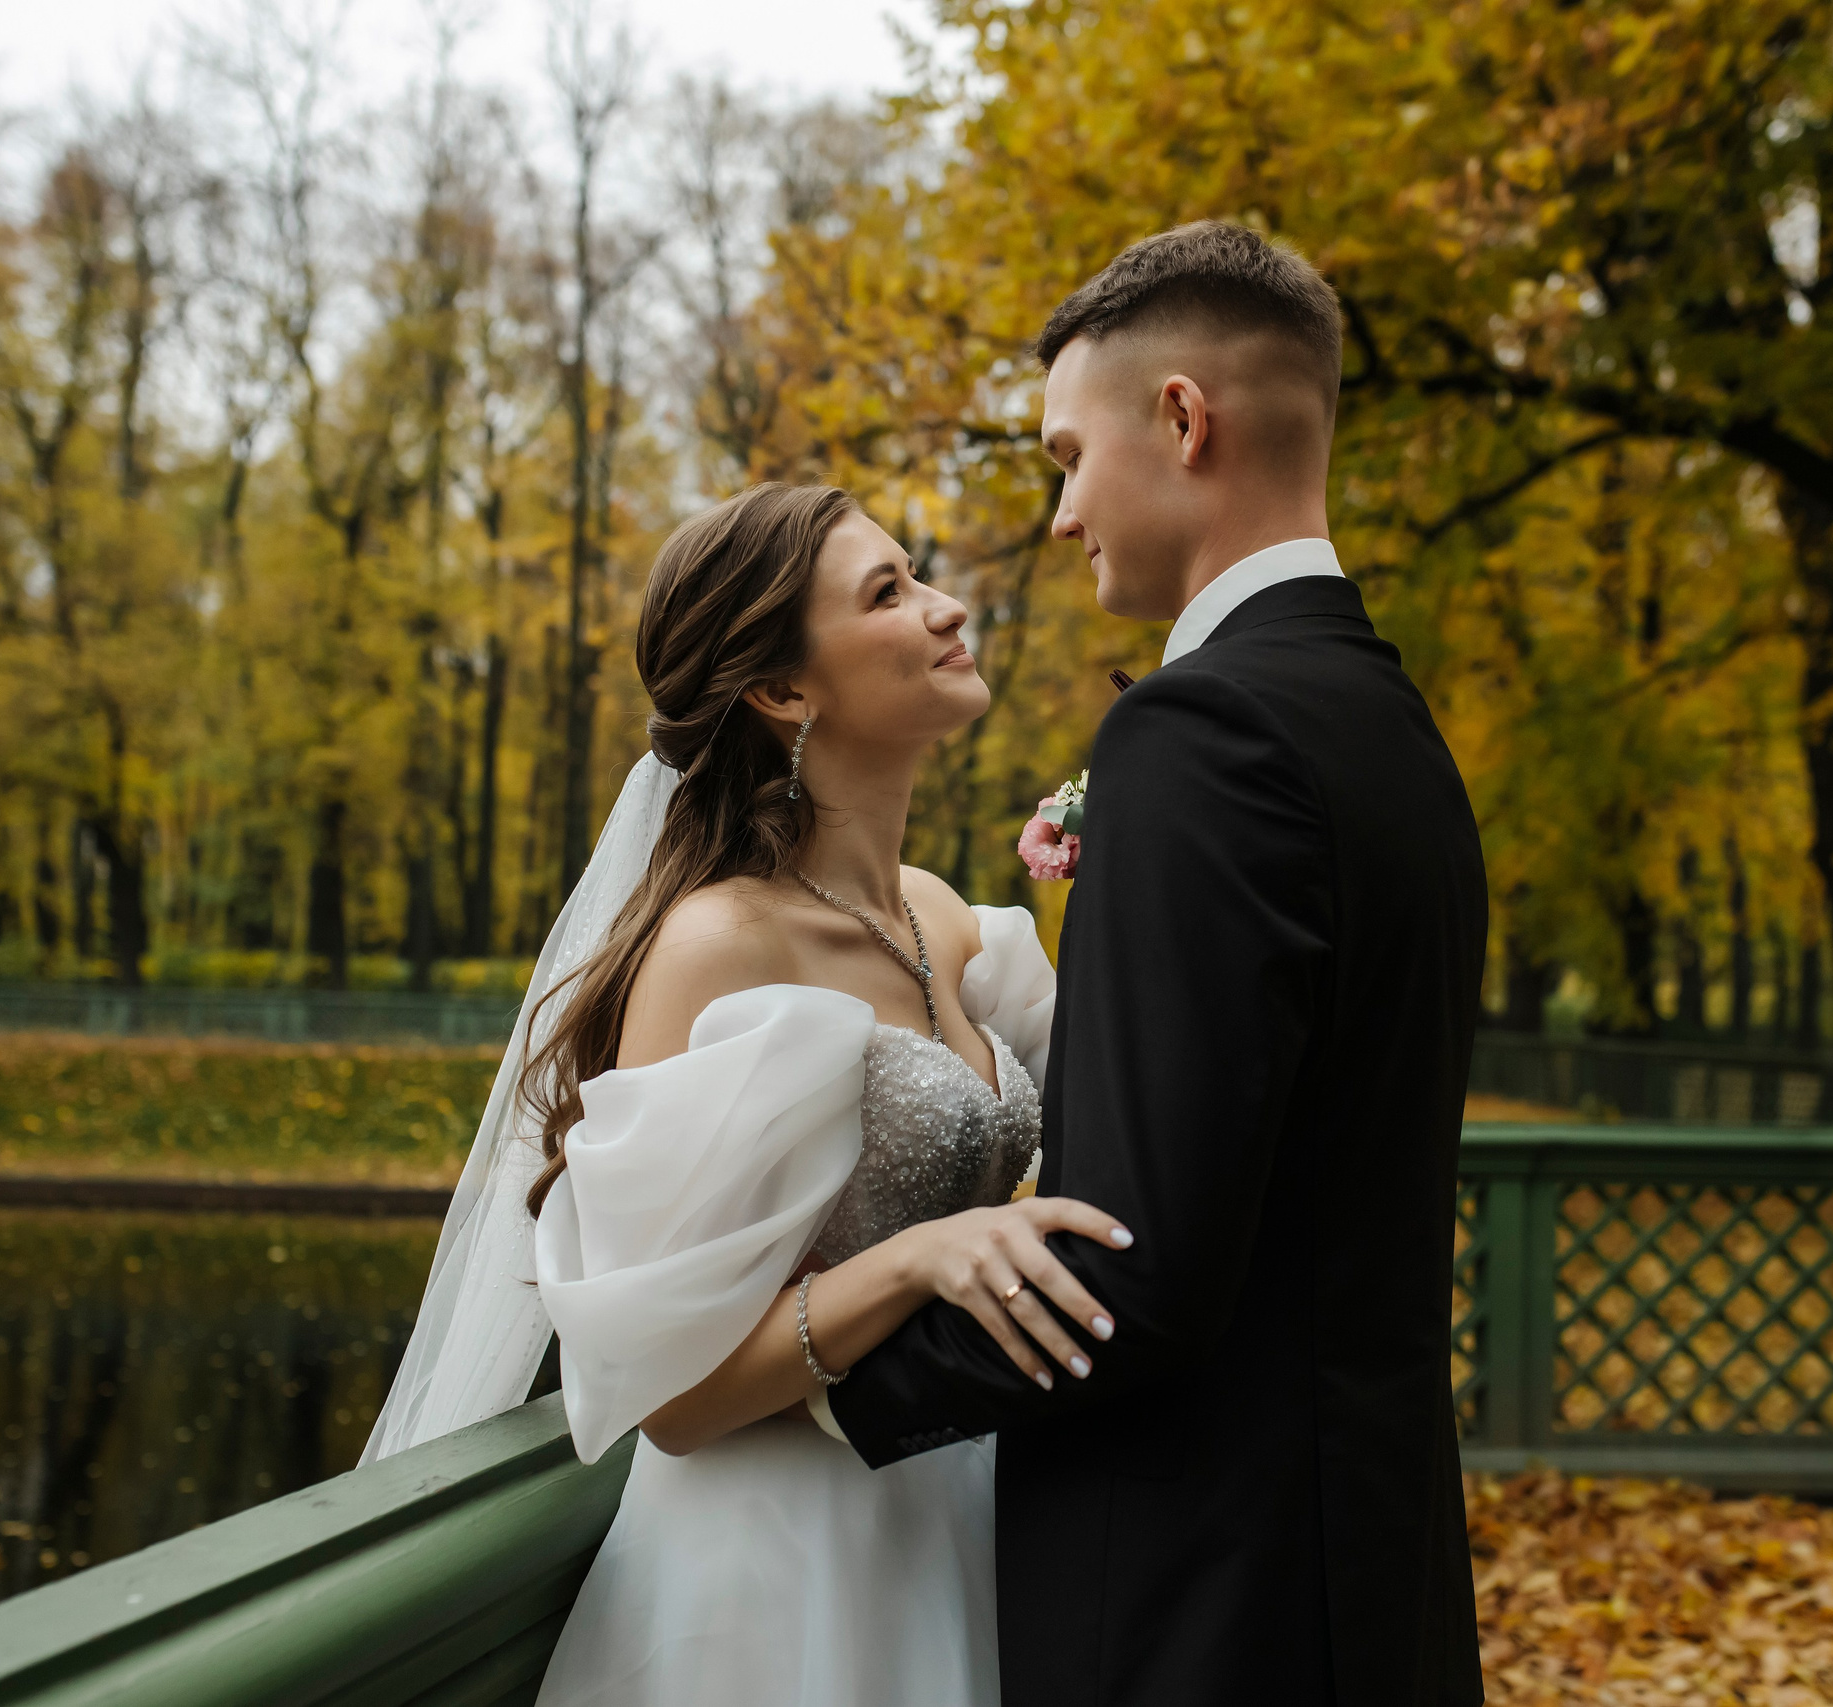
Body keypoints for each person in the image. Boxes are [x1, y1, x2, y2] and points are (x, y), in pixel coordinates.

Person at [815, 221, 1492, 1706]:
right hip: (1371, 1574)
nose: (1062, 516)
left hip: (1207, 1606)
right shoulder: (1392, 727)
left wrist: (818, 1374)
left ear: (1184, 419)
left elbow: (1136, 1272)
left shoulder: (1202, 735)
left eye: (1068, 455)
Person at [362, 481, 1131, 1707]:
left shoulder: (945, 920)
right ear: (783, 691)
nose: (945, 610)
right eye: (889, 594)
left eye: (919, 574)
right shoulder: (716, 945)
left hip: (954, 1523)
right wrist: (918, 1260)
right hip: (777, 1578)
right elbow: (670, 1399)